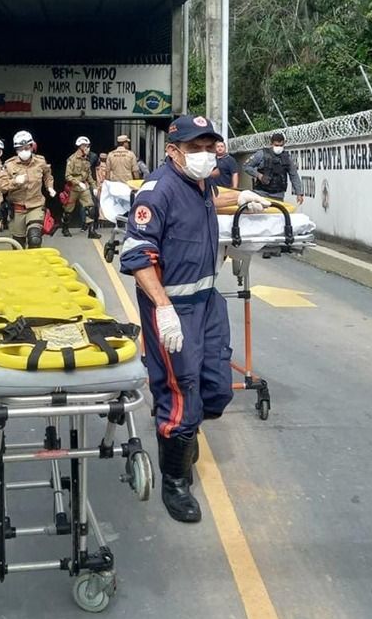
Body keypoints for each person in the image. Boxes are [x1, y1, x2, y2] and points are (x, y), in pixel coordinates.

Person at [119, 115, 271, 523]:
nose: (206, 155)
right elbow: (136, 256)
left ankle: (185, 431)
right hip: (173, 308)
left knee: (216, 388)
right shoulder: (158, 192)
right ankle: (175, 478)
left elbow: (212, 198)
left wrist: (240, 199)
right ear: (173, 151)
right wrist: (162, 308)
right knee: (181, 389)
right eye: (195, 148)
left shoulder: (199, 184)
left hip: (207, 302)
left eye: (210, 147)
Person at [0, 130, 55, 248]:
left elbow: (48, 175)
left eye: (26, 148)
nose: (24, 151)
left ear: (32, 147)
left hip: (36, 206)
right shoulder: (9, 165)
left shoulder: (40, 161)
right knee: (18, 245)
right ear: (16, 150)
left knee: (34, 238)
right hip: (17, 209)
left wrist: (50, 187)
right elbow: (1, 186)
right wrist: (15, 182)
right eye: (20, 149)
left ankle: (35, 264)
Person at [242, 132, 304, 204]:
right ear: (271, 144)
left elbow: (294, 175)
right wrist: (259, 175)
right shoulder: (261, 154)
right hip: (261, 193)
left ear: (284, 144)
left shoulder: (286, 158)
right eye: (276, 145)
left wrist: (299, 193)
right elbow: (246, 166)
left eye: (281, 145)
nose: (279, 147)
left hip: (278, 194)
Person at [63, 136, 101, 239]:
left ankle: (91, 231)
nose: (88, 148)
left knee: (91, 208)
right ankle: (65, 228)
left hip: (84, 188)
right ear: (81, 147)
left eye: (88, 146)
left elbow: (88, 175)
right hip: (73, 188)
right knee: (68, 210)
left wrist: (94, 187)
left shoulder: (86, 160)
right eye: (86, 146)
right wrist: (78, 182)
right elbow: (67, 176)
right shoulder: (72, 159)